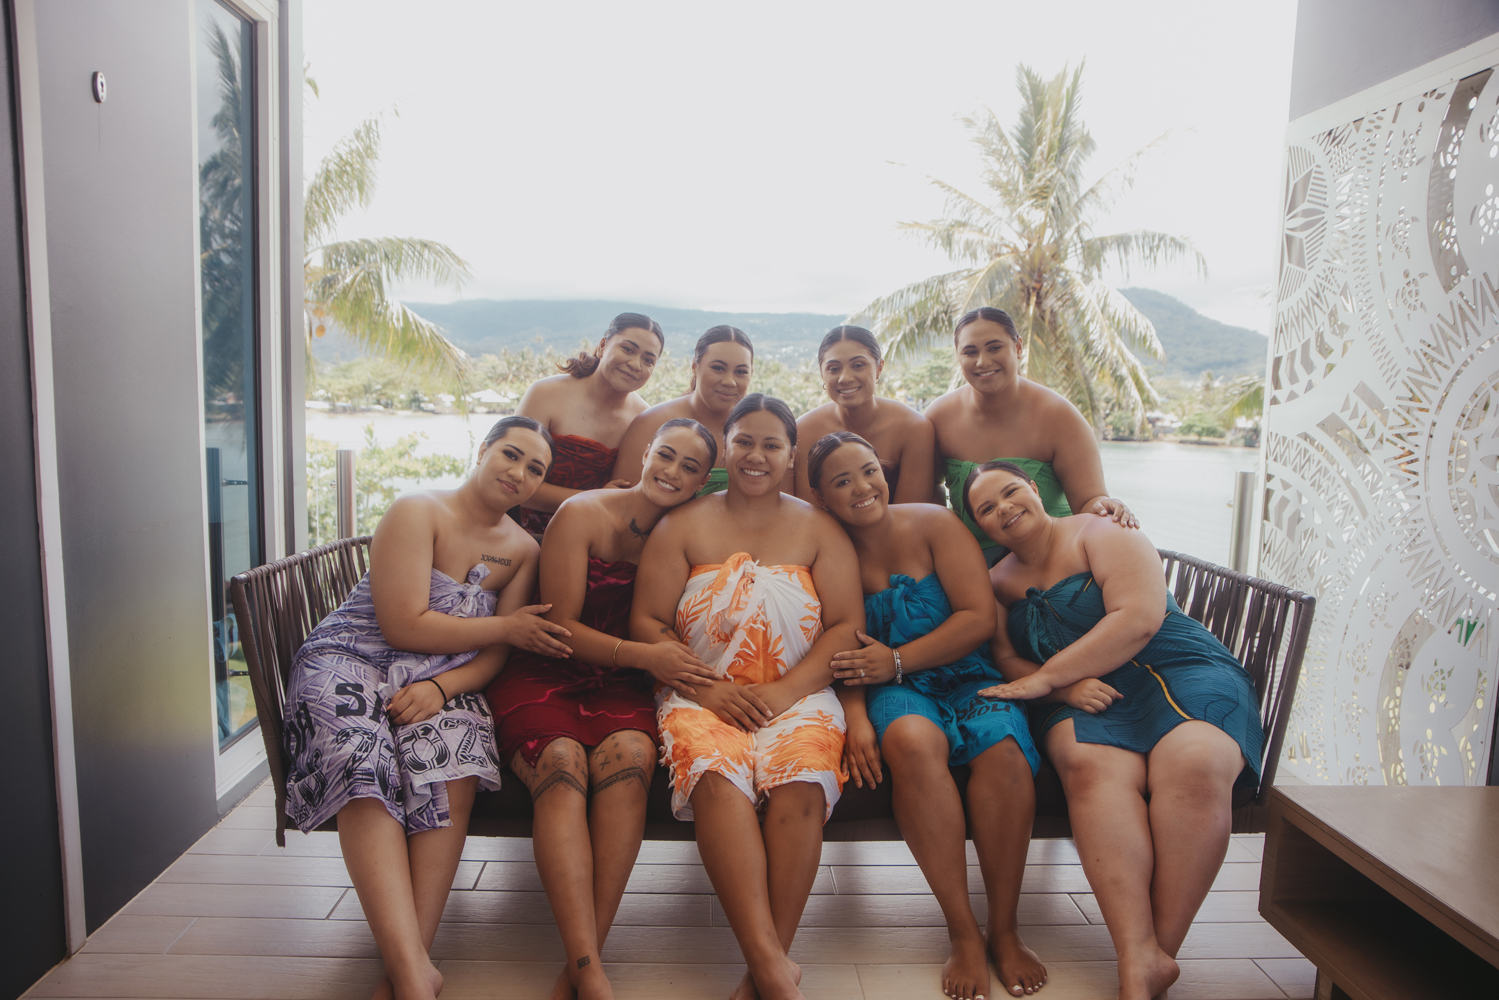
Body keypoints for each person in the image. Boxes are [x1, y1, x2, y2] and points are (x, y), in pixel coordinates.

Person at [281, 416, 573, 1000]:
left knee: (456, 755)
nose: (519, 473)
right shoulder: (418, 510)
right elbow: (403, 622)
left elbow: (497, 649)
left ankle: (409, 962)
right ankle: (413, 972)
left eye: (535, 469)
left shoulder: (523, 548)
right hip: (351, 656)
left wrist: (444, 689)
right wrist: (507, 627)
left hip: (444, 675)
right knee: (361, 758)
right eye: (511, 455)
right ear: (484, 448)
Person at [968, 461, 1264, 1000]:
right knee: (1088, 767)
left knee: (1194, 765)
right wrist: (1059, 690)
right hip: (1082, 696)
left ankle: (1151, 958)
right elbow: (1008, 659)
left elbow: (1139, 617)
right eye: (986, 508)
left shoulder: (1102, 530)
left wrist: (1053, 674)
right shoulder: (994, 583)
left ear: (1035, 490)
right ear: (980, 528)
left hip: (1179, 667)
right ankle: (1138, 953)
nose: (1004, 508)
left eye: (1010, 492)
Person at [631, 394, 864, 1000]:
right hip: (699, 690)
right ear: (725, 449)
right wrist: (709, 688)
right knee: (715, 774)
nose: (756, 455)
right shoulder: (682, 524)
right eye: (744, 442)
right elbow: (649, 623)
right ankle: (768, 964)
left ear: (790, 458)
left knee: (802, 779)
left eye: (771, 445)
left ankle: (767, 963)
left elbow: (844, 625)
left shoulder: (819, 528)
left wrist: (786, 691)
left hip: (800, 692)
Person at [485, 418, 719, 1000]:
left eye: (690, 467)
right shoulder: (584, 513)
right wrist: (647, 655)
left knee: (631, 757)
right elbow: (559, 627)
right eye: (666, 456)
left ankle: (584, 963)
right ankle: (587, 966)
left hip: (628, 682)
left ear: (702, 482)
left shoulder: (695, 530)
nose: (673, 472)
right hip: (547, 666)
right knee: (561, 764)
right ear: (644, 455)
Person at [808, 432, 1046, 1000]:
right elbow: (832, 647)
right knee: (913, 741)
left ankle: (1005, 928)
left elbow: (976, 618)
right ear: (820, 496)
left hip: (968, 671)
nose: (863, 487)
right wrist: (858, 718)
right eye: (842, 481)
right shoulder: (824, 547)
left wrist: (892, 659)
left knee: (1004, 748)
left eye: (869, 470)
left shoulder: (936, 524)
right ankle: (962, 930)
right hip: (890, 690)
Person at [924, 307, 1136, 564]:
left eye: (994, 348)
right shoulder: (939, 417)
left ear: (1018, 347)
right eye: (970, 352)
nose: (982, 361)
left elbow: (1089, 501)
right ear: (958, 356)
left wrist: (1108, 506)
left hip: (1054, 558)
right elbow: (929, 496)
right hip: (970, 562)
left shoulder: (1059, 416)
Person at [513, 312, 666, 535]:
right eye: (628, 349)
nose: (635, 364)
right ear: (603, 346)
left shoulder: (644, 420)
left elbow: (625, 504)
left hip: (590, 537)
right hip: (517, 530)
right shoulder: (545, 393)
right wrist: (594, 497)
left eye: (648, 360)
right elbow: (512, 477)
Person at [793, 326, 936, 505]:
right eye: (834, 368)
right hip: (822, 532)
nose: (845, 377)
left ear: (879, 368)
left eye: (858, 365)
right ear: (822, 373)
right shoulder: (804, 431)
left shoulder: (914, 428)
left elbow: (912, 514)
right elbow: (808, 514)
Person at [612, 325, 753, 497]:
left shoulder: (758, 431)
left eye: (741, 372)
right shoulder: (652, 423)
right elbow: (623, 502)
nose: (729, 381)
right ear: (695, 367)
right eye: (718, 368)